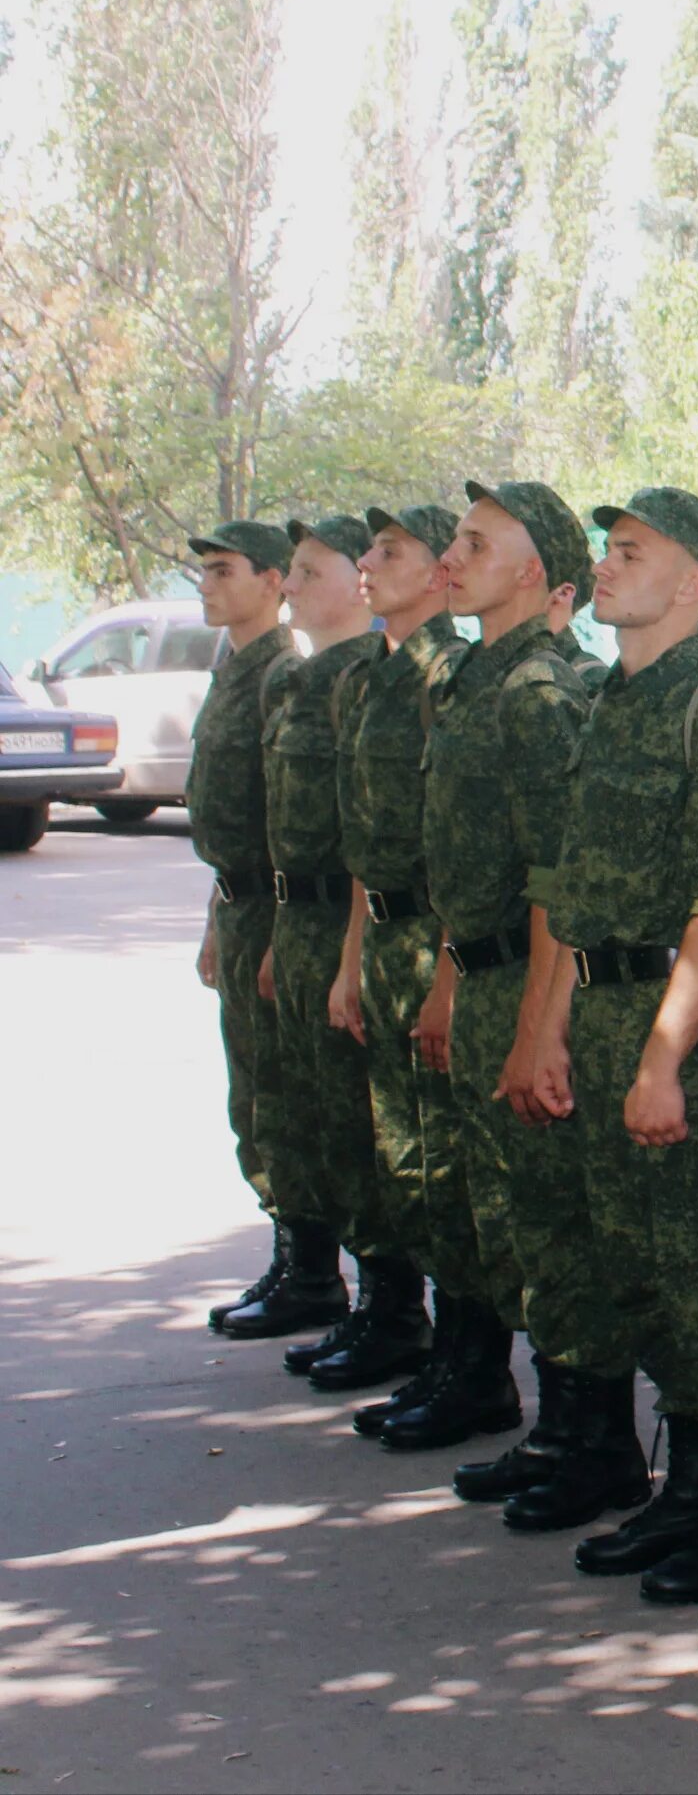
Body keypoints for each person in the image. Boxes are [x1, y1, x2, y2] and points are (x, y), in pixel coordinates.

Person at [532, 486, 698, 1599]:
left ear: (688, 584)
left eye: (630, 552)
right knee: (638, 1263)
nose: (606, 566)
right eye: (605, 550)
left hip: (681, 1024)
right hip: (599, 1011)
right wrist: (547, 1028)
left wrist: (662, 1058)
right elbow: (567, 883)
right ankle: (687, 1488)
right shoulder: (609, 701)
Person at [419, 480, 609, 1524]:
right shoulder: (474, 678)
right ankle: (559, 1426)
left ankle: (592, 1442)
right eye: (454, 539)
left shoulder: (537, 692)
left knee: (553, 1218)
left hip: (529, 980)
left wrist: (541, 1027)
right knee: (516, 1219)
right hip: (483, 970)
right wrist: (453, 976)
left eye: (475, 543)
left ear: (535, 570)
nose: (453, 555)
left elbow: (553, 879)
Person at [334, 504, 508, 1451]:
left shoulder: (452, 677)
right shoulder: (380, 677)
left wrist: (447, 971)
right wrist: (355, 955)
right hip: (391, 938)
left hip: (440, 944)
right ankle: (446, 1352)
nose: (370, 563)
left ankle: (475, 1368)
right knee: (413, 1160)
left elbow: (465, 853)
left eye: (389, 551)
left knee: (453, 1166)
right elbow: (373, 838)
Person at [259, 515, 427, 1394]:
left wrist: (352, 952)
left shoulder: (402, 680)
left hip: (389, 934)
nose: (294, 583)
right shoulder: (342, 680)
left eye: (306, 567)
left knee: (396, 1146)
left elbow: (404, 847)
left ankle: (406, 1321)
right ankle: (379, 1306)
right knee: (338, 1126)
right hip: (319, 920)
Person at [188, 520, 343, 1340]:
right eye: (203, 573)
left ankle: (314, 1269)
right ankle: (294, 1256)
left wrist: (280, 926)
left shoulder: (281, 672)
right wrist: (218, 919)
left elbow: (292, 825)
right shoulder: (233, 672)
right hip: (242, 902)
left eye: (222, 571)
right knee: (255, 1093)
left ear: (272, 580)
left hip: (281, 907)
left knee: (286, 1096)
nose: (207, 585)